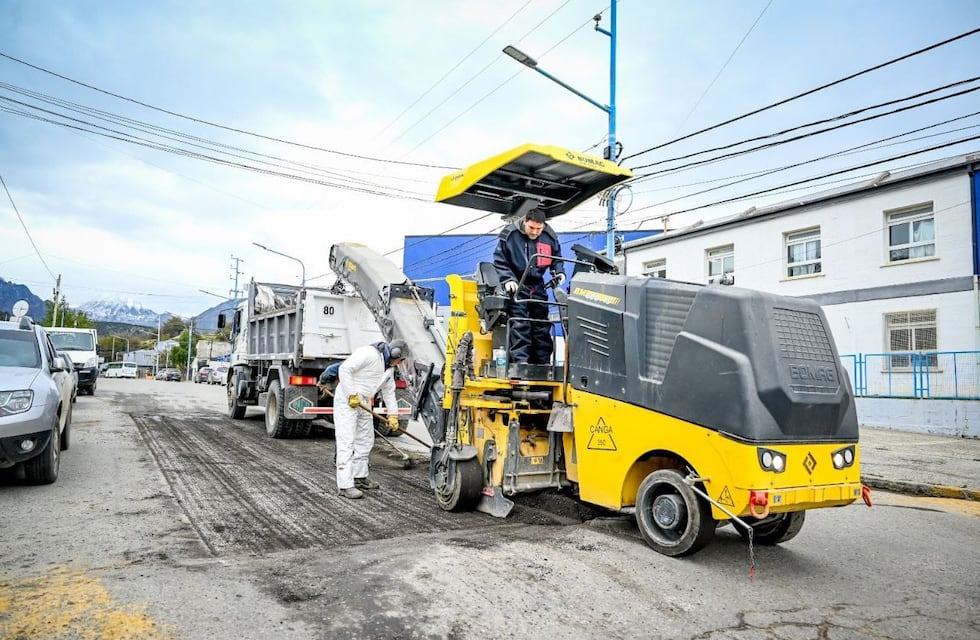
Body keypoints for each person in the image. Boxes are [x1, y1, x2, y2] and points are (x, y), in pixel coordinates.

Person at [332, 339, 407, 499]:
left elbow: (389, 393)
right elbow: (344, 369)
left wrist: (393, 415)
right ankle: (345, 485)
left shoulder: (389, 370)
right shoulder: (369, 354)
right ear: (395, 354)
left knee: (366, 439)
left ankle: (359, 478)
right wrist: (351, 393)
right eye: (401, 359)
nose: (400, 363)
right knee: (347, 441)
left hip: (364, 400)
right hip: (347, 399)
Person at [493, 208, 567, 365]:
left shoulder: (549, 236)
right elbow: (500, 260)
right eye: (531, 228)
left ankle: (543, 363)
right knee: (521, 324)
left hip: (538, 286)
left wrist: (559, 272)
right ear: (525, 221)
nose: (535, 232)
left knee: (541, 324)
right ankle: (521, 363)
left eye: (538, 229)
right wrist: (508, 280)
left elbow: (557, 258)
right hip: (517, 285)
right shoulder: (509, 235)